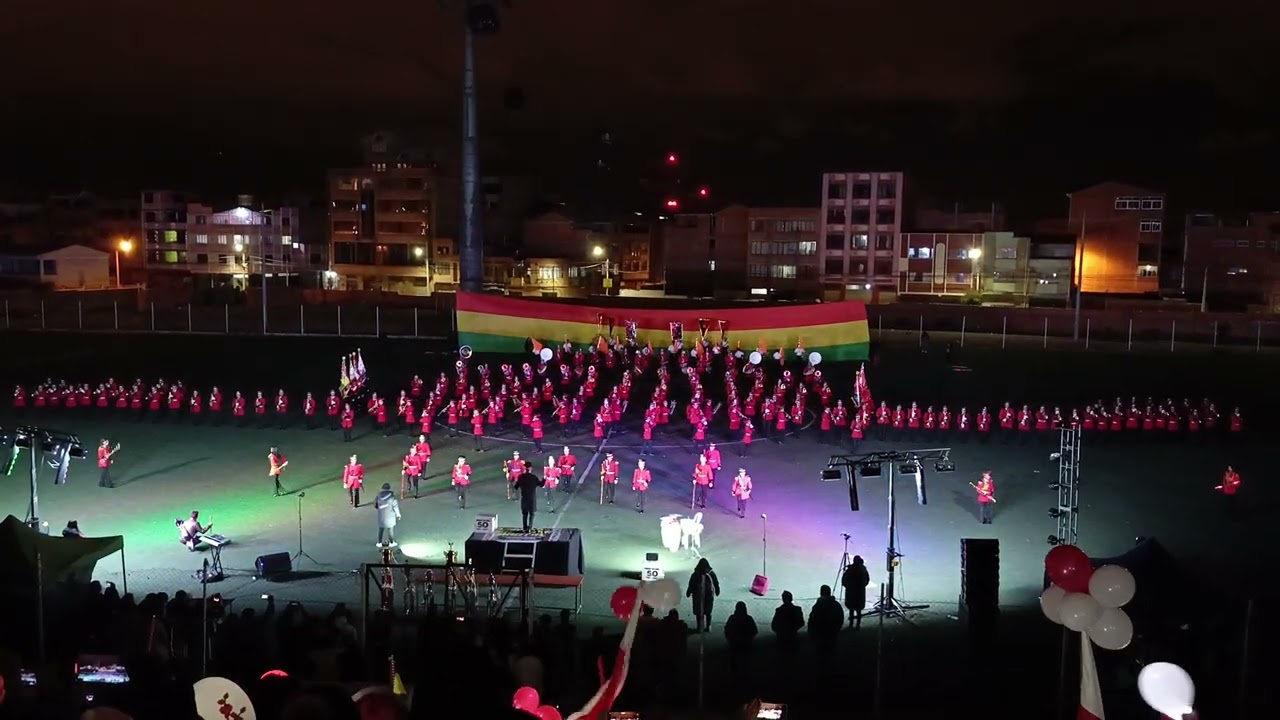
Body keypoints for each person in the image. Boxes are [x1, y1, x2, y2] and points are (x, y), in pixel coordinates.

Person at [807, 585, 845, 656]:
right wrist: (836, 629)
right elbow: (840, 618)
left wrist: (811, 632)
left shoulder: (818, 605)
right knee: (831, 652)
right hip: (832, 632)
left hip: (820, 634)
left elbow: (812, 619)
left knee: (821, 654)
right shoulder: (836, 605)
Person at [723, 601, 758, 673]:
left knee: (734, 659)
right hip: (746, 644)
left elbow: (727, 630)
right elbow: (754, 631)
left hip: (734, 643)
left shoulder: (732, 618)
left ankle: (734, 672)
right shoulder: (749, 619)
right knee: (745, 661)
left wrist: (730, 639)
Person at [686, 558, 720, 632]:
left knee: (699, 612)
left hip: (698, 596)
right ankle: (708, 626)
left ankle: (700, 627)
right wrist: (717, 591)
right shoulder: (710, 573)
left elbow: (691, 584)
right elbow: (716, 583)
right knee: (707, 612)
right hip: (708, 596)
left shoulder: (695, 574)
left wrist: (689, 592)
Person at [770, 590, 805, 657]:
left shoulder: (779, 610)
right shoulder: (797, 609)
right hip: (793, 637)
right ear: (791, 598)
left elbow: (774, 625)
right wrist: (793, 629)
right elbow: (801, 622)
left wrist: (780, 632)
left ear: (783, 599)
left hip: (781, 638)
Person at [840, 555, 871, 629]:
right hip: (860, 592)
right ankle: (858, 624)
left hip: (851, 592)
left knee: (851, 608)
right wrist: (862, 586)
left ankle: (851, 624)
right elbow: (867, 580)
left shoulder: (850, 570)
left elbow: (844, 580)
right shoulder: (863, 570)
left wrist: (847, 586)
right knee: (858, 609)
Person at [374, 483, 401, 547]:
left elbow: (375, 505)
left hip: (381, 515)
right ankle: (391, 542)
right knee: (390, 529)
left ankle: (379, 542)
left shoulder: (378, 496)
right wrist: (398, 514)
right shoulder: (392, 497)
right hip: (390, 515)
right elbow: (395, 506)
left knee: (381, 529)